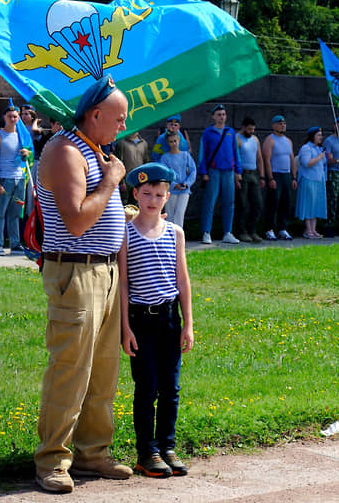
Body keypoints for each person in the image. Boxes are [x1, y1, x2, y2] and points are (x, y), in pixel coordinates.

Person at [33, 75, 132, 493]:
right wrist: (112, 182)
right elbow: (75, 222)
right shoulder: (65, 151)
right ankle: (53, 459)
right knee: (71, 368)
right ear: (94, 115)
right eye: (118, 118)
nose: (122, 126)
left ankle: (92, 452)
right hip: (76, 271)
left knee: (104, 369)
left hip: (104, 271)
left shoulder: (94, 150)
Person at [119, 162, 194, 478]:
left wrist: (188, 323)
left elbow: (183, 279)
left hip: (169, 320)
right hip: (141, 323)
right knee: (146, 388)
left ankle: (167, 447)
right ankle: (146, 452)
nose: (152, 199)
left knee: (171, 388)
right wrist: (125, 328)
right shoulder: (125, 232)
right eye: (147, 193)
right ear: (136, 193)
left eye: (159, 194)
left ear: (167, 197)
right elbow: (122, 283)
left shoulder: (175, 232)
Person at [197, 104, 241, 244]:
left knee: (230, 202)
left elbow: (236, 152)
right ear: (213, 117)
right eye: (219, 114)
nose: (222, 117)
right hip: (213, 171)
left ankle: (227, 232)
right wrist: (203, 172)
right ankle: (206, 232)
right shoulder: (208, 132)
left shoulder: (230, 132)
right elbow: (202, 154)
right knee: (210, 202)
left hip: (228, 171)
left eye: (223, 114)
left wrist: (238, 171)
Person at [0, 106, 30, 256]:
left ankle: (15, 244)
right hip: (4, 178)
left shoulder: (21, 135)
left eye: (15, 116)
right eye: (10, 116)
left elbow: (29, 153)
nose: (13, 119)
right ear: (4, 118)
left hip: (19, 177)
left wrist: (27, 152)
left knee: (15, 214)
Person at [262, 115, 296, 240]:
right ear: (274, 125)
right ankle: (269, 229)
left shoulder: (288, 141)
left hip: (286, 174)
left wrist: (293, 177)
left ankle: (283, 228)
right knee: (273, 203)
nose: (283, 125)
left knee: (285, 202)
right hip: (276, 174)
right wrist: (270, 178)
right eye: (280, 123)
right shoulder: (270, 140)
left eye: (284, 123)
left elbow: (292, 159)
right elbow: (267, 160)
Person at [235, 117, 264, 242]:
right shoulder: (237, 138)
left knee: (257, 204)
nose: (251, 131)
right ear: (243, 127)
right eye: (249, 129)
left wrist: (262, 176)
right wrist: (236, 175)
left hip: (254, 174)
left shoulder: (255, 139)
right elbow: (234, 158)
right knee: (242, 204)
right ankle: (241, 232)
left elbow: (259, 158)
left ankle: (252, 231)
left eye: (253, 129)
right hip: (243, 174)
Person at [296, 126, 327, 238]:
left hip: (318, 179)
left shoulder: (319, 149)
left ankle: (313, 230)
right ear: (312, 136)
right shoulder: (306, 148)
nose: (321, 137)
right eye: (318, 135)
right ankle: (307, 230)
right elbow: (306, 163)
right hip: (308, 179)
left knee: (316, 206)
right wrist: (319, 157)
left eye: (321, 135)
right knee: (308, 205)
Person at [160, 130, 196, 228]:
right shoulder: (165, 157)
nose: (174, 144)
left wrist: (187, 183)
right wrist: (174, 184)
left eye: (175, 141)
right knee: (170, 215)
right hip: (171, 190)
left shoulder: (186, 155)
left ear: (179, 140)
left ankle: (179, 238)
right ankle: (170, 237)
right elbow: (164, 173)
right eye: (171, 142)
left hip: (184, 190)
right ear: (168, 143)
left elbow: (193, 171)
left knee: (180, 214)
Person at [113, 131, 150, 205]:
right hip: (126, 180)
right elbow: (118, 163)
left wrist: (146, 180)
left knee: (137, 203)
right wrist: (121, 182)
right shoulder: (121, 143)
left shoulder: (143, 144)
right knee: (124, 203)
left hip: (139, 179)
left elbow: (146, 162)